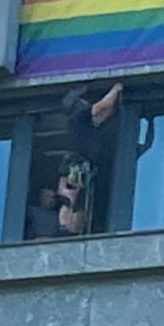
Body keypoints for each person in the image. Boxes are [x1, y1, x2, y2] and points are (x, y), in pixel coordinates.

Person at [57, 81, 124, 234]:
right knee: (70, 198)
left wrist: (113, 100)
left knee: (77, 201)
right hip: (75, 166)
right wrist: (115, 89)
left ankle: (72, 230)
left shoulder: (82, 121)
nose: (86, 102)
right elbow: (101, 107)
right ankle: (65, 229)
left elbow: (104, 112)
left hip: (79, 166)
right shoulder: (80, 115)